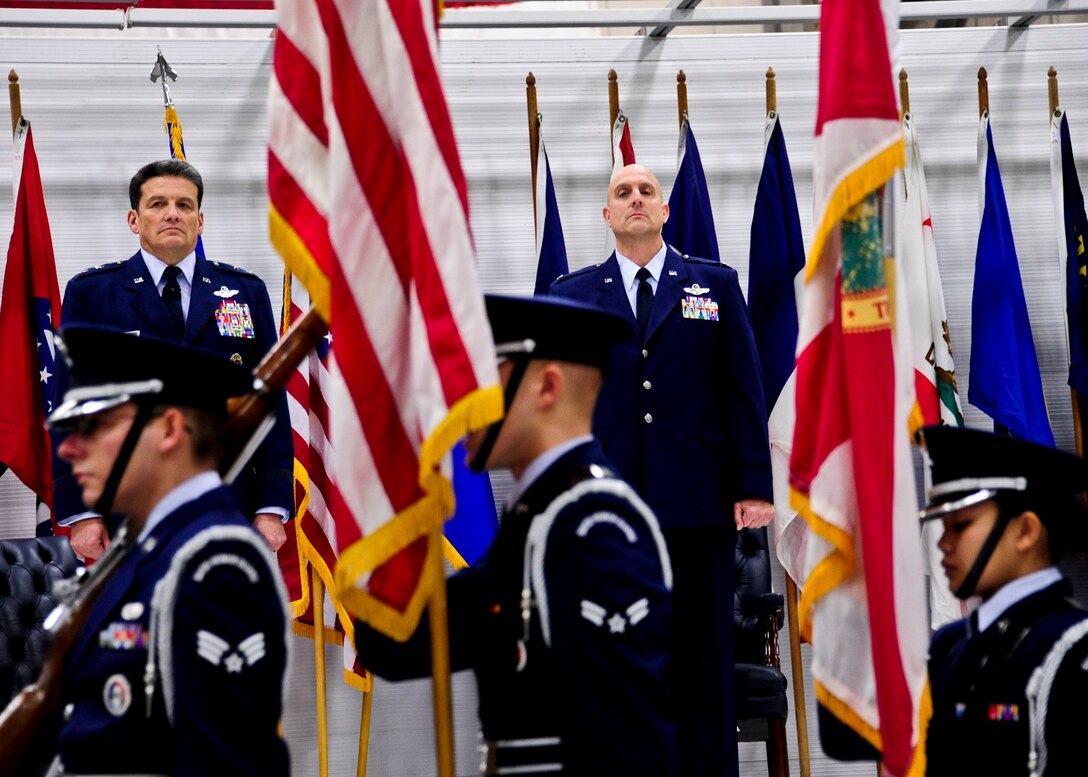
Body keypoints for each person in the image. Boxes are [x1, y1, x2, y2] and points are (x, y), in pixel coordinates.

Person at [356, 294, 678, 776]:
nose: (458, 400)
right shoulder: (537, 517)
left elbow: (627, 739)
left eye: (479, 379)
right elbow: (395, 643)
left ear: (547, 388)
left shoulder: (595, 524)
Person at [549, 163, 773, 777]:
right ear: (608, 216)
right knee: (615, 657)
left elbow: (741, 391)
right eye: (623, 192)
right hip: (607, 514)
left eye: (647, 190)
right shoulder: (572, 295)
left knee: (704, 662)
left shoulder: (714, 285)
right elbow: (558, 406)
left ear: (666, 210)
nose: (636, 198)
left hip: (697, 505)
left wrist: (753, 486)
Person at [45, 326, 290, 776]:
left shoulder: (216, 566)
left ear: (170, 429)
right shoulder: (144, 548)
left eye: (93, 425)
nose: (71, 449)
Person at [51, 159, 293, 560]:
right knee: (136, 620)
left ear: (201, 219)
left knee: (222, 619)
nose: (172, 214)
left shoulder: (244, 292)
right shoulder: (93, 294)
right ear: (134, 218)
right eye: (157, 203)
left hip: (228, 501)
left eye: (184, 205)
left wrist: (270, 507)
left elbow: (270, 407)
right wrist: (82, 513)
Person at [920, 425, 1088, 777]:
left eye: (960, 525)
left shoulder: (1075, 650)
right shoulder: (948, 645)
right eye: (943, 526)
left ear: (1026, 531)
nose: (943, 543)